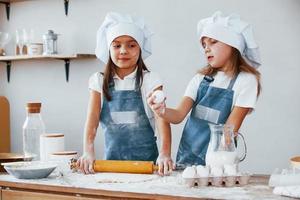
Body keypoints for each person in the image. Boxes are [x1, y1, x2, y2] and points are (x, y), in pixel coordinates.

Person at [148, 11, 262, 166]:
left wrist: (215, 167)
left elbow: (228, 132)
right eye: (204, 45)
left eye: (213, 42)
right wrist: (161, 110)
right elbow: (178, 115)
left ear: (233, 44)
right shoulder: (200, 79)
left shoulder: (246, 81)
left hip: (219, 163)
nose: (206, 49)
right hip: (186, 160)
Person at [77, 12, 173, 175]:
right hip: (112, 167)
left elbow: (161, 119)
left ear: (140, 49)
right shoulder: (99, 81)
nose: (123, 51)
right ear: (109, 48)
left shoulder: (150, 80)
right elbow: (92, 119)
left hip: (148, 167)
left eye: (131, 45)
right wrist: (88, 151)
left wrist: (165, 154)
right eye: (117, 45)